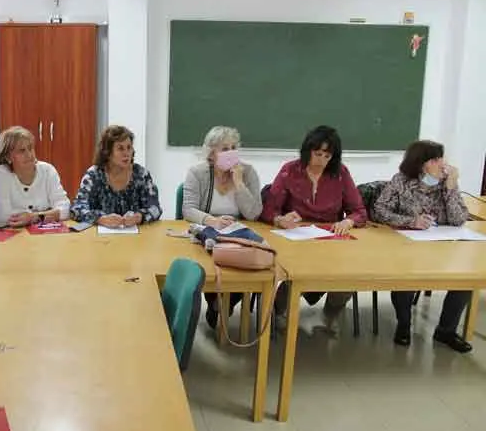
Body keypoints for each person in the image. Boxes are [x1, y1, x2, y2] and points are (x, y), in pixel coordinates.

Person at [261, 125, 367, 333]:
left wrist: (348, 222)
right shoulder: (290, 170)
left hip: (329, 240)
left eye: (327, 156)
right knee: (292, 274)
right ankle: (280, 311)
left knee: (348, 278)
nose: (321, 160)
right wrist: (280, 219)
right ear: (307, 150)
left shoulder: (340, 173)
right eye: (317, 154)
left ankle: (330, 315)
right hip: (294, 239)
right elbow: (268, 210)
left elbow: (359, 211)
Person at [373, 140, 472, 352]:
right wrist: (411, 222)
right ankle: (404, 325)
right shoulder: (401, 182)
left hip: (444, 248)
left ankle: (446, 331)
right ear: (421, 164)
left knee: (466, 280)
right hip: (409, 247)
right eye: (435, 160)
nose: (442, 164)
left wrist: (451, 188)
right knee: (407, 278)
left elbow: (459, 219)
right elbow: (379, 211)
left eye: (441, 158)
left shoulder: (448, 183)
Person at [182, 126, 263, 328]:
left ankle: (226, 304)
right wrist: (212, 220)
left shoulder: (248, 172)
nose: (230, 152)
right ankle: (216, 303)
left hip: (238, 233)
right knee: (209, 265)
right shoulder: (197, 172)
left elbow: (254, 213)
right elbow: (188, 209)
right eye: (224, 148)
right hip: (208, 233)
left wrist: (239, 183)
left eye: (234, 147)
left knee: (243, 266)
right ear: (212, 152)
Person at [72, 125, 162, 227]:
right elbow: (77, 208)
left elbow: (155, 208)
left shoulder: (141, 174)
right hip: (100, 239)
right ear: (108, 152)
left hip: (136, 238)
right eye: (120, 148)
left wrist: (139, 217)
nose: (126, 153)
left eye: (129, 148)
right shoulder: (94, 175)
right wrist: (101, 219)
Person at [0, 126, 70, 227]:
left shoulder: (47, 170)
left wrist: (34, 217)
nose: (29, 155)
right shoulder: (1, 174)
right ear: (8, 157)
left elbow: (65, 209)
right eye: (22, 151)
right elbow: (3, 217)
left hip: (42, 234)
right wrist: (49, 213)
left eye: (30, 148)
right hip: (8, 233)